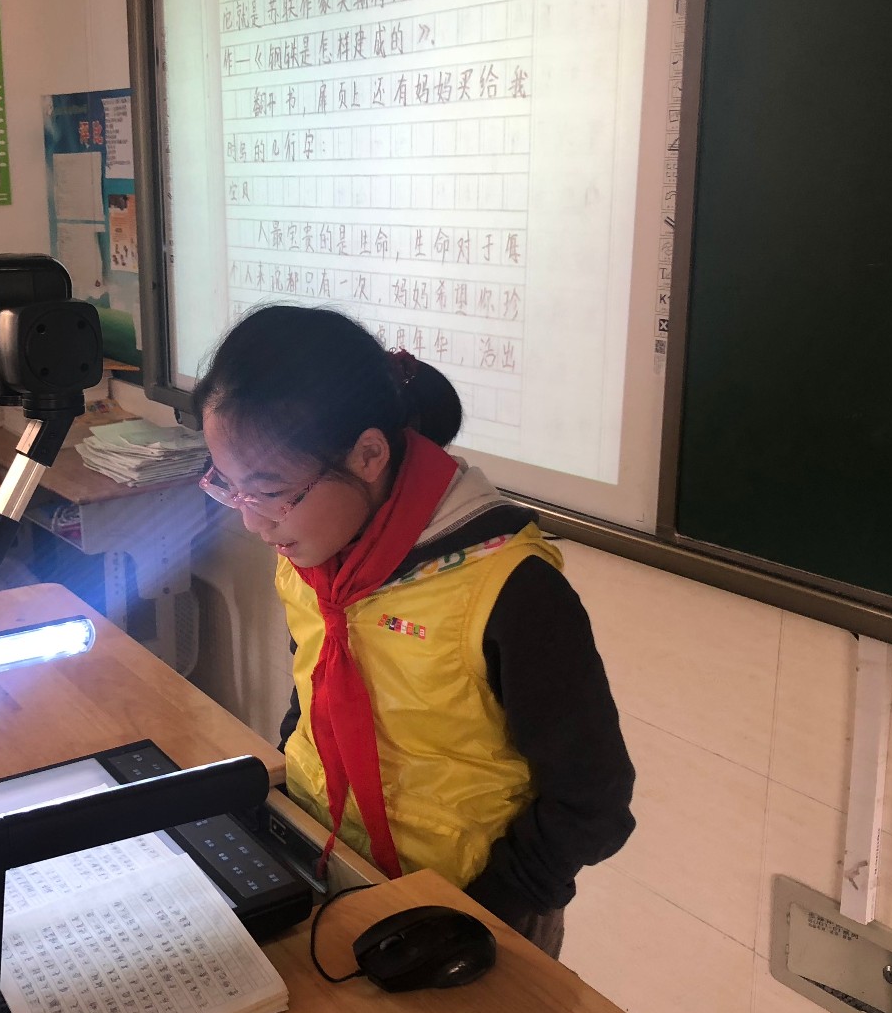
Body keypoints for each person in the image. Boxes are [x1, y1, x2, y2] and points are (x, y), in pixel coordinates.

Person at [193, 305, 635, 958]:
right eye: (230, 489)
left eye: (270, 491)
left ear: (369, 454)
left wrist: (483, 912)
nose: (253, 522)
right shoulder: (311, 557)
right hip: (327, 860)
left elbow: (594, 800)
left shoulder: (511, 590)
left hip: (474, 908)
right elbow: (315, 691)